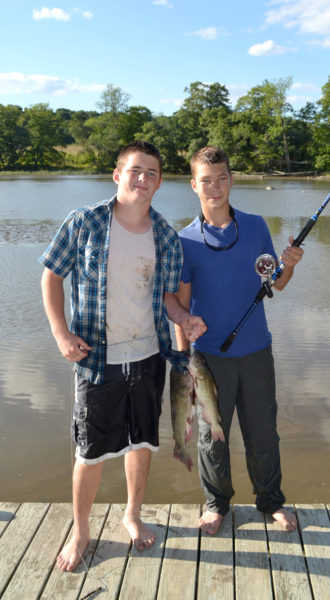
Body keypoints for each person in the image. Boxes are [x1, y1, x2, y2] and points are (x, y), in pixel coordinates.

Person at [39, 140, 206, 571]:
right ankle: (81, 531)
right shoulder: (84, 222)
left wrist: (185, 319)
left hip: (149, 357)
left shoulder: (167, 235)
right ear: (118, 175)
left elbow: (169, 299)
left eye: (151, 173)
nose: (143, 179)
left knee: (142, 442)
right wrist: (61, 333)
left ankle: (132, 514)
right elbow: (51, 276)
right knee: (89, 451)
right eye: (135, 170)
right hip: (95, 357)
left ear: (160, 182)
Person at [174, 146, 303, 534]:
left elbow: (275, 281)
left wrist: (290, 265)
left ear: (232, 179)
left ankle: (271, 501)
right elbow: (179, 306)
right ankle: (217, 504)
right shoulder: (184, 240)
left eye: (222, 177)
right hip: (209, 359)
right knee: (213, 440)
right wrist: (184, 363)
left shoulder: (257, 225)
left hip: (256, 352)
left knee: (263, 432)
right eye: (206, 180)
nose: (215, 187)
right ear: (194, 184)